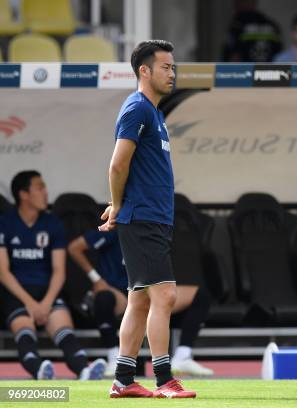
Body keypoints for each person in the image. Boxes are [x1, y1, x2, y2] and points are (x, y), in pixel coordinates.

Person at [100, 40, 195, 398]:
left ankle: (123, 380)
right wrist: (117, 203)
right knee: (165, 295)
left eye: (173, 67)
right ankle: (164, 378)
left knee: (140, 300)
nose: (172, 73)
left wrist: (117, 203)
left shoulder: (154, 112)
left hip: (151, 219)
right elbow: (117, 163)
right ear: (145, 70)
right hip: (142, 219)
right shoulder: (137, 108)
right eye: (165, 67)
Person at [0, 171, 107, 380]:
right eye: (39, 188)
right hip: (18, 292)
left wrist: (46, 302)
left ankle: (84, 370)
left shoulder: (52, 224)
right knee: (24, 328)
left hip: (47, 291)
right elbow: (2, 272)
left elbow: (59, 270)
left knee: (64, 328)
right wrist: (30, 303)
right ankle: (40, 371)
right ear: (23, 194)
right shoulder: (5, 223)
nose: (45, 192)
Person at [68, 229, 214, 378]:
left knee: (199, 295)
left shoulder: (154, 229)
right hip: (120, 292)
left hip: (151, 289)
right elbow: (75, 247)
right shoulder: (116, 227)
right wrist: (96, 279)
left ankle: (183, 355)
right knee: (104, 298)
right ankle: (114, 357)